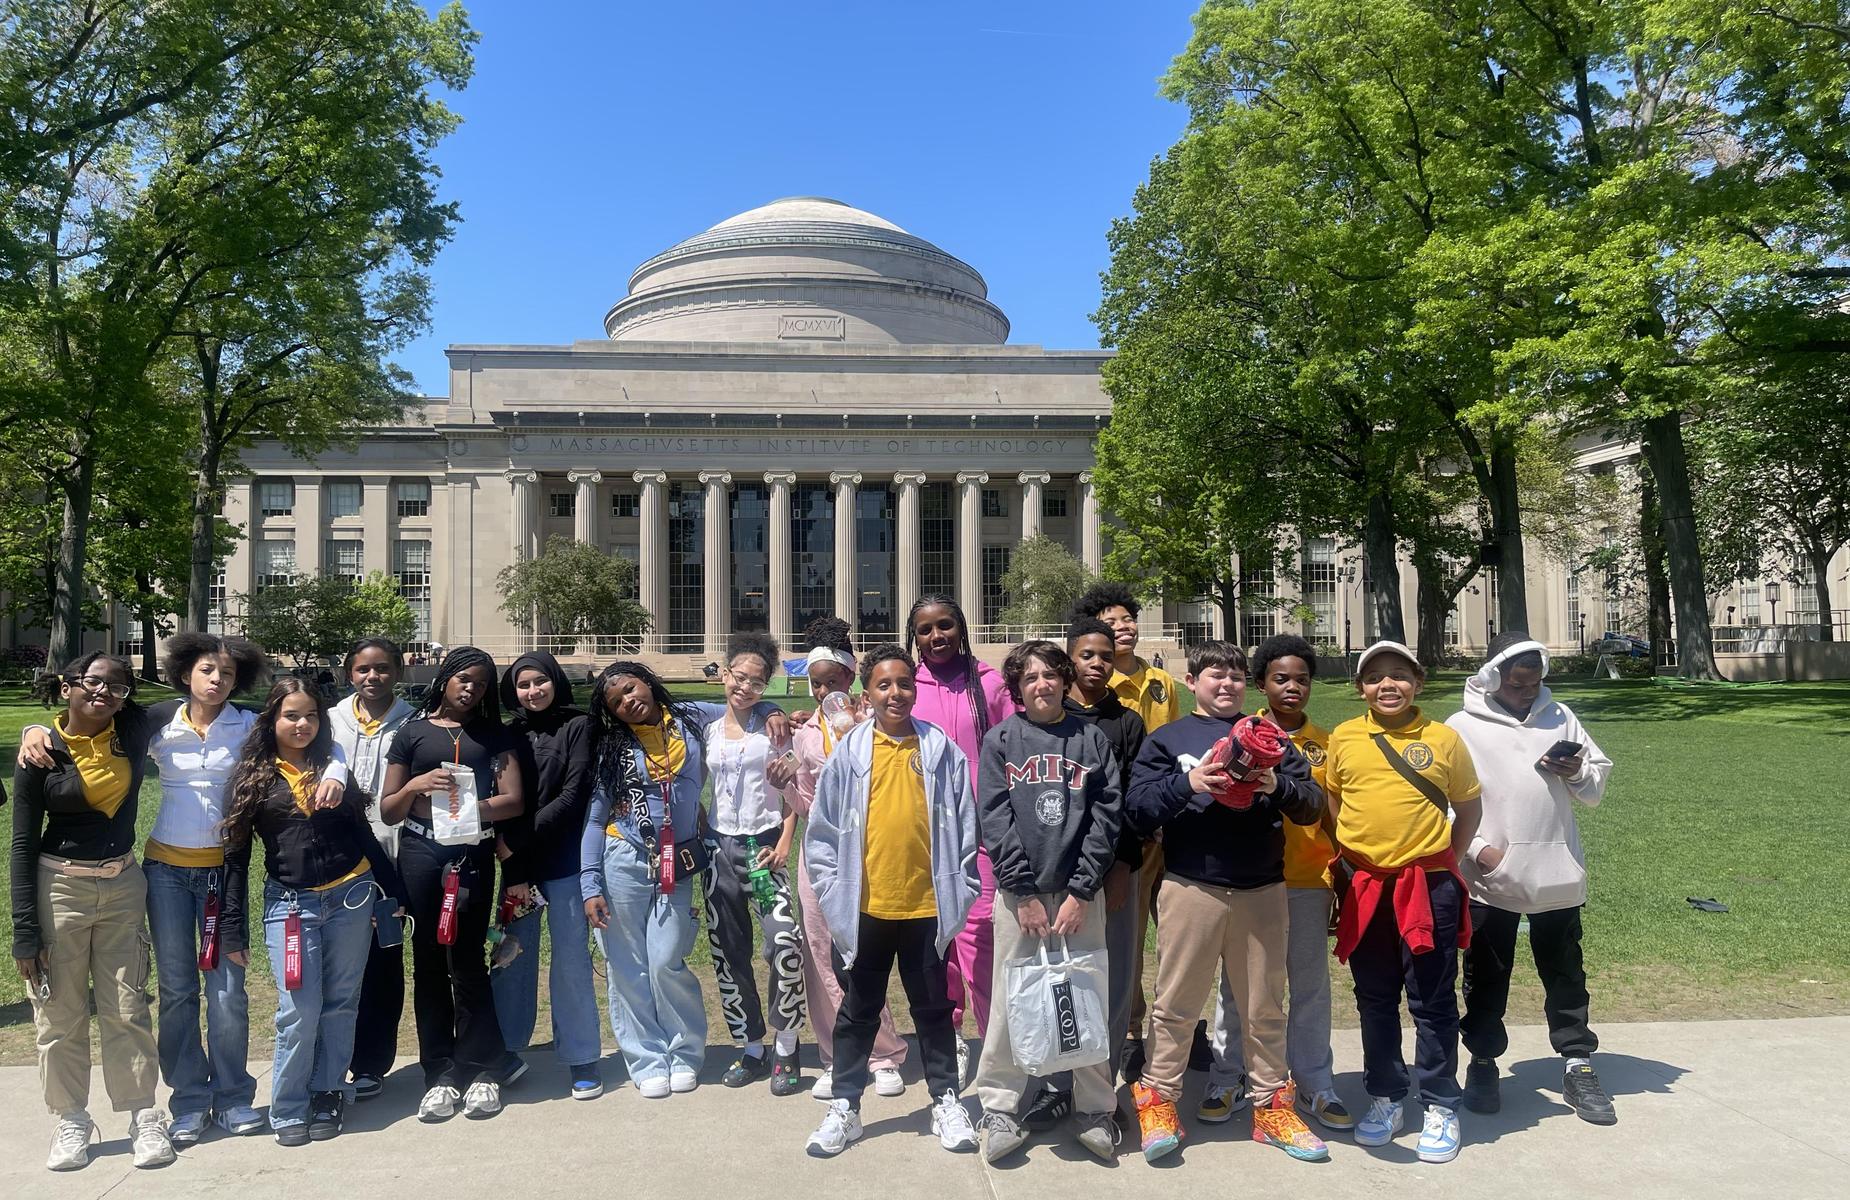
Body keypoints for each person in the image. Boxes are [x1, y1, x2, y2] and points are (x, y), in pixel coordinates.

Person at [16, 633, 350, 1145]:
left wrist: (339, 772)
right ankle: (189, 1100)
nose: (218, 681)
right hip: (164, 873)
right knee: (175, 991)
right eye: (207, 671)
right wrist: (35, 729)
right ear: (186, 674)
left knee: (227, 992)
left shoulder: (247, 724)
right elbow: (81, 723)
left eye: (229, 674)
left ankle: (234, 1097)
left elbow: (314, 740)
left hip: (223, 873)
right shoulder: (153, 721)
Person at [1125, 639, 1329, 1164]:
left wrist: (1274, 784)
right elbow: (1138, 810)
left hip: (1262, 887)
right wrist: (1187, 782)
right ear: (1191, 682)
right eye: (1214, 675)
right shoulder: (1168, 739)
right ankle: (1158, 1100)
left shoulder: (1274, 738)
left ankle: (1271, 1107)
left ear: (1248, 685)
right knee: (1175, 1005)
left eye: (1236, 676)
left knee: (1264, 1006)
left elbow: (1311, 806)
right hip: (1192, 885)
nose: (1226, 684)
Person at [801, 644, 982, 1159]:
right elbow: (823, 833)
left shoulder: (940, 750)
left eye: (905, 683)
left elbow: (964, 824)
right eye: (884, 685)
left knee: (934, 1009)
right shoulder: (852, 753)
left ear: (915, 689)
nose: (896, 693)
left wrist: (963, 886)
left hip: (928, 908)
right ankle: (845, 1107)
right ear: (868, 692)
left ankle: (945, 1099)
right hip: (867, 910)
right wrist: (836, 894)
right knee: (858, 1012)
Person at [578, 661, 787, 1098]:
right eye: (616, 701)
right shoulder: (613, 747)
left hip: (679, 858)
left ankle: (685, 1053)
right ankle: (647, 1058)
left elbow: (739, 703)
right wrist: (590, 884)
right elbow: (596, 818)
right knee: (629, 965)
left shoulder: (690, 717)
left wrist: (770, 709)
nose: (628, 701)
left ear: (649, 683)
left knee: (667, 958)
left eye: (632, 689)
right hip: (624, 856)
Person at [220, 678, 408, 1145]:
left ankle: (328, 1091)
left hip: (352, 896)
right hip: (290, 906)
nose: (301, 724)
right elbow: (236, 858)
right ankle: (288, 1106)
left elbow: (364, 835)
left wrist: (394, 890)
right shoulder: (253, 778)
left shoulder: (333, 770)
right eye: (291, 715)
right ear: (273, 720)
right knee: (298, 1010)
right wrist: (230, 926)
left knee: (342, 1003)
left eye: (310, 716)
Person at [12, 654, 175, 1172]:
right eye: (94, 682)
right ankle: (72, 1119)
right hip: (58, 886)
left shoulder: (130, 729)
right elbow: (20, 844)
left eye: (119, 687)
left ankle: (143, 1116)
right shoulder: (40, 753)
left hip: (123, 885)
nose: (105, 693)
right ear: (68, 686)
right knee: (59, 1013)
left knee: (127, 1007)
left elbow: (196, 701)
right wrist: (24, 932)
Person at [1448, 633, 1616, 1125]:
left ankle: (1577, 1062)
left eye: (1535, 683)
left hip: (1555, 872)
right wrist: (1481, 851)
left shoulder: (1560, 717)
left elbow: (1595, 787)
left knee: (1565, 971)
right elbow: (1439, 799)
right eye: (1518, 685)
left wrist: (1577, 770)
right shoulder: (1460, 727)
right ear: (1493, 678)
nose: (1528, 693)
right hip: (1490, 874)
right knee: (1485, 973)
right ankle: (1482, 1061)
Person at [1325, 641, 1482, 1164]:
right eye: (1374, 677)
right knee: (1374, 997)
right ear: (1360, 688)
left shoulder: (1443, 739)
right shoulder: (1345, 737)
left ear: (1418, 681)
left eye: (1399, 675)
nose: (1386, 685)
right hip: (1365, 885)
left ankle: (1440, 1103)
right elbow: (1333, 804)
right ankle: (1386, 1095)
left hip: (1427, 885)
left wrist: (1444, 863)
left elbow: (1468, 806)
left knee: (1433, 999)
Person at [971, 641, 1123, 1164]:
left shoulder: (1091, 740)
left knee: (1087, 994)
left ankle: (1096, 1109)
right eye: (1030, 677)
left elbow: (1107, 817)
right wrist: (1021, 892)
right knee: (1011, 998)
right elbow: (995, 818)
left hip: (1080, 894)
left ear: (1064, 680)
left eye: (1050, 675)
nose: (1042, 684)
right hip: (1021, 898)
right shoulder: (1001, 740)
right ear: (1017, 687)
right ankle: (999, 1106)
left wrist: (1082, 890)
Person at [1204, 634, 1352, 1133]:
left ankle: (1314, 1081)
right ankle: (1228, 1076)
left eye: (1302, 680)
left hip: (1308, 881)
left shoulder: (1326, 743)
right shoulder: (1240, 733)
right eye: (1280, 678)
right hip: (1250, 879)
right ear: (1261, 683)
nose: (1292, 687)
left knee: (1309, 985)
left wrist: (1340, 877)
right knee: (1237, 985)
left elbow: (1332, 815)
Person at [380, 646, 527, 1123]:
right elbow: (389, 809)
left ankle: (482, 1069)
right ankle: (440, 1073)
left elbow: (514, 801)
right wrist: (417, 787)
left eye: (482, 684)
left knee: (466, 961)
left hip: (471, 854)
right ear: (445, 678)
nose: (472, 688)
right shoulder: (412, 733)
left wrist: (468, 807)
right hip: (422, 854)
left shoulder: (492, 735)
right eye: (464, 678)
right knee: (428, 959)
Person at [786, 617, 910, 1102]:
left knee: (864, 954)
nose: (823, 691)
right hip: (819, 856)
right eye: (815, 683)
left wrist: (860, 728)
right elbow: (804, 802)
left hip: (869, 852)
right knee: (819, 954)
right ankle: (836, 1054)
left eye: (832, 681)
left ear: (851, 678)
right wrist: (785, 782)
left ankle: (883, 1053)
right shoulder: (804, 735)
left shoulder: (873, 725)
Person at [905, 593, 1016, 1085]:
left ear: (961, 626)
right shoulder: (908, 685)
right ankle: (948, 1038)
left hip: (983, 833)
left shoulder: (989, 683)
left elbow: (1016, 746)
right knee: (935, 943)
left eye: (945, 625)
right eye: (926, 629)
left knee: (980, 940)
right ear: (915, 637)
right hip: (921, 832)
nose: (937, 636)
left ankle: (997, 1050)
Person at [1071, 582, 1180, 1079]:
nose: (1125, 628)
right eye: (1113, 622)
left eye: (1129, 619)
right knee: (1127, 937)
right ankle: (1130, 1030)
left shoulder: (1162, 682)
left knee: (1176, 935)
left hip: (1168, 822)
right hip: (1128, 832)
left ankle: (1173, 1029)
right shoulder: (1096, 689)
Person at [489, 651, 604, 1102]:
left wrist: (519, 841)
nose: (532, 691)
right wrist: (514, 857)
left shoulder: (578, 726)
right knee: (511, 958)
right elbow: (501, 798)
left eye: (540, 682)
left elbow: (576, 793)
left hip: (565, 862)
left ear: (555, 681)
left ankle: (580, 1057)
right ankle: (507, 1052)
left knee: (572, 962)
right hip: (518, 869)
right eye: (523, 685)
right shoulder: (507, 733)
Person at [700, 632, 808, 1094]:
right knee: (728, 951)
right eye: (738, 677)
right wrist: (702, 826)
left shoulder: (777, 731)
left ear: (767, 688)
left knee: (783, 943)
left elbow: (790, 791)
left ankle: (787, 1045)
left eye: (757, 683)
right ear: (724, 674)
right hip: (718, 851)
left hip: (764, 851)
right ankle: (752, 1046)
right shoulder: (705, 727)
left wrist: (786, 842)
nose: (744, 687)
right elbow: (689, 783)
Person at [328, 638, 417, 1101]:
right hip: (336, 861)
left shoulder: (414, 722)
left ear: (398, 673)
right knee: (341, 963)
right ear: (349, 673)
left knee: (383, 961)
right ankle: (330, 1060)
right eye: (362, 669)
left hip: (394, 857)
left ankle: (370, 1063)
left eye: (382, 669)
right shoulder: (328, 721)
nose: (372, 677)